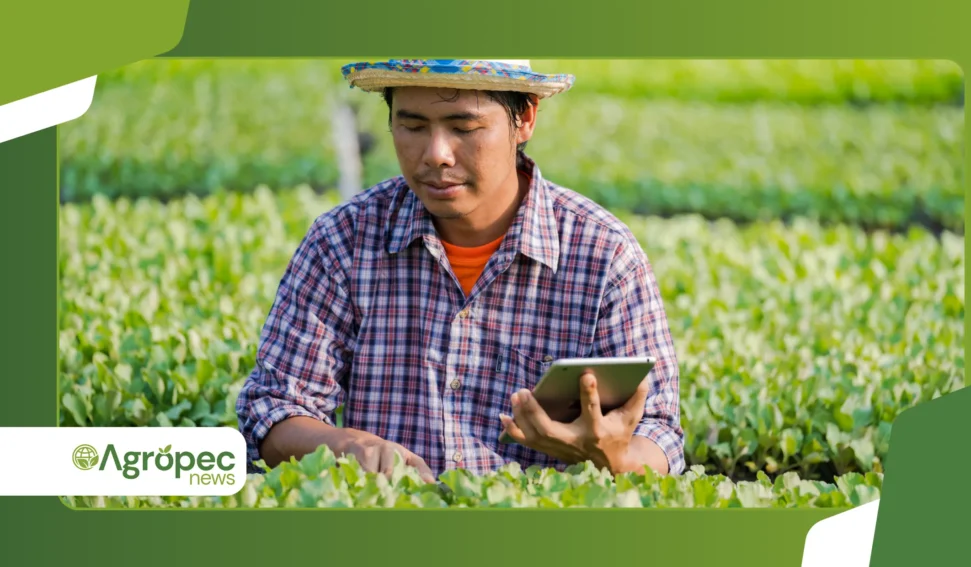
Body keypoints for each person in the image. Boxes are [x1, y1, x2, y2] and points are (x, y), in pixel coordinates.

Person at [235, 59, 685, 482]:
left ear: (525, 118)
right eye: (411, 126)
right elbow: (274, 407)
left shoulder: (605, 256)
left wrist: (616, 457)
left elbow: (660, 435)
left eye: (464, 127)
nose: (436, 154)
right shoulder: (342, 242)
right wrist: (346, 445)